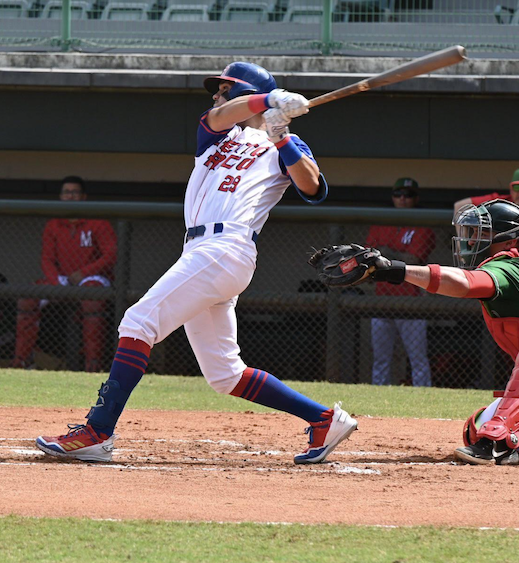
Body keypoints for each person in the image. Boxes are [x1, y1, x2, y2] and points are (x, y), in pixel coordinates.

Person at [36, 62, 357, 465]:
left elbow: (312, 187)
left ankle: (98, 431)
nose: (216, 95)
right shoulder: (217, 132)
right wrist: (269, 100)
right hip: (201, 251)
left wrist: (282, 135)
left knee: (138, 322)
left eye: (225, 89)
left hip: (228, 246)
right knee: (225, 374)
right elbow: (220, 115)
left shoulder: (283, 142)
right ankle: (324, 418)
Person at [321, 199, 519, 465]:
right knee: (476, 429)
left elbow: (465, 284)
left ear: (508, 240)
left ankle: (500, 439)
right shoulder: (504, 266)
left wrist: (395, 270)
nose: (471, 240)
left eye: (481, 233)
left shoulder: (513, 265)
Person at [12, 176, 117, 373]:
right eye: (66, 193)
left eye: (75, 192)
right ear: (60, 196)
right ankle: (21, 362)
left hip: (93, 278)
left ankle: (92, 365)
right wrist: (55, 282)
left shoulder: (98, 222)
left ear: (83, 197)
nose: (70, 196)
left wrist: (83, 273)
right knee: (27, 298)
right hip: (61, 279)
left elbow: (110, 256)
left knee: (91, 298)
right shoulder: (54, 224)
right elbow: (47, 259)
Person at [365, 177, 435, 387]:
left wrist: (385, 252)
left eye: (408, 195)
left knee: (418, 360)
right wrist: (397, 255)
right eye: (398, 195)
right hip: (382, 300)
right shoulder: (380, 223)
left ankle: (424, 400)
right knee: (381, 360)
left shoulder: (424, 226)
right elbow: (369, 256)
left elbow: (414, 260)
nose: (403, 199)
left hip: (411, 302)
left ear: (416, 198)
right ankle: (378, 401)